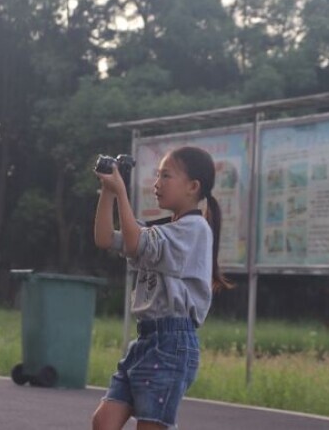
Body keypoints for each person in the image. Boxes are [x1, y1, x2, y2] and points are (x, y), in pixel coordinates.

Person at [91, 146, 235, 430]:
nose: (157, 183)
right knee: (103, 422)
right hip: (146, 339)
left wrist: (121, 192)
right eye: (157, 175)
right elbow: (104, 238)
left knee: (151, 426)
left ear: (193, 186)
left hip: (172, 341)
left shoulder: (194, 229)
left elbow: (134, 242)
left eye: (166, 176)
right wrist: (108, 191)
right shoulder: (165, 230)